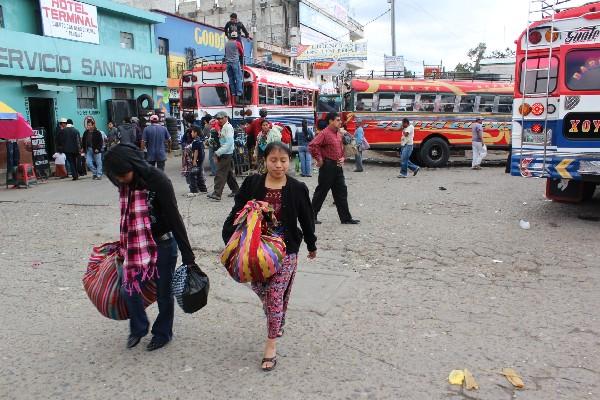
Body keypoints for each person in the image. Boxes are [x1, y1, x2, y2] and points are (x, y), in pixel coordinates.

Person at [222, 142, 317, 372]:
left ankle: (270, 345)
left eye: (283, 160)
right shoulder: (252, 183)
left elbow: (307, 218)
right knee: (260, 289)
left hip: (287, 250)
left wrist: (311, 245)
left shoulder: (297, 187)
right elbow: (237, 210)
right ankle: (278, 316)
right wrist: (229, 237)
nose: (278, 165)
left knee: (274, 293)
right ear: (264, 160)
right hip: (257, 250)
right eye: (273, 160)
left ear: (289, 161)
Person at [103, 144, 197, 352]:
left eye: (122, 174)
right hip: (136, 245)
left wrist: (188, 255)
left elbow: (175, 218)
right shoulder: (124, 181)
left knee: (164, 294)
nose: (119, 179)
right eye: (115, 175)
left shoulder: (159, 181)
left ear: (134, 165)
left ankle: (163, 333)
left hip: (163, 244)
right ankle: (138, 327)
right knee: (129, 288)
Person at [309, 112, 360, 225]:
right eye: (337, 120)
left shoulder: (338, 133)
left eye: (339, 120)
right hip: (327, 166)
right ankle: (311, 216)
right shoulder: (324, 133)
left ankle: (346, 218)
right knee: (321, 192)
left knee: (341, 192)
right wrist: (319, 159)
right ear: (330, 121)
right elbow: (313, 145)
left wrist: (342, 158)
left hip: (337, 166)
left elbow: (341, 148)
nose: (340, 122)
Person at [208, 112, 240, 201]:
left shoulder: (228, 127)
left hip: (226, 153)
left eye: (221, 118)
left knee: (220, 173)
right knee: (228, 173)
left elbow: (229, 143)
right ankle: (236, 190)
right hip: (225, 152)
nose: (220, 120)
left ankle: (217, 193)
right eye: (218, 119)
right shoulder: (220, 127)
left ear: (226, 118)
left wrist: (217, 153)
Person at [186, 126, 207, 196]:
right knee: (199, 174)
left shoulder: (195, 142)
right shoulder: (200, 140)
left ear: (196, 133)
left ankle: (194, 190)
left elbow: (196, 151)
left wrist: (194, 161)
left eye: (192, 132)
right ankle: (203, 189)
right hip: (200, 160)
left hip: (197, 160)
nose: (191, 133)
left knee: (192, 174)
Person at [224, 32, 244, 100]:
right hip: (235, 62)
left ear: (230, 36)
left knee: (231, 78)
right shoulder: (237, 43)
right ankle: (239, 92)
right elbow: (242, 52)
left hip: (228, 63)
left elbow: (225, 52)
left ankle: (233, 92)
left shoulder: (226, 43)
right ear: (236, 37)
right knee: (238, 77)